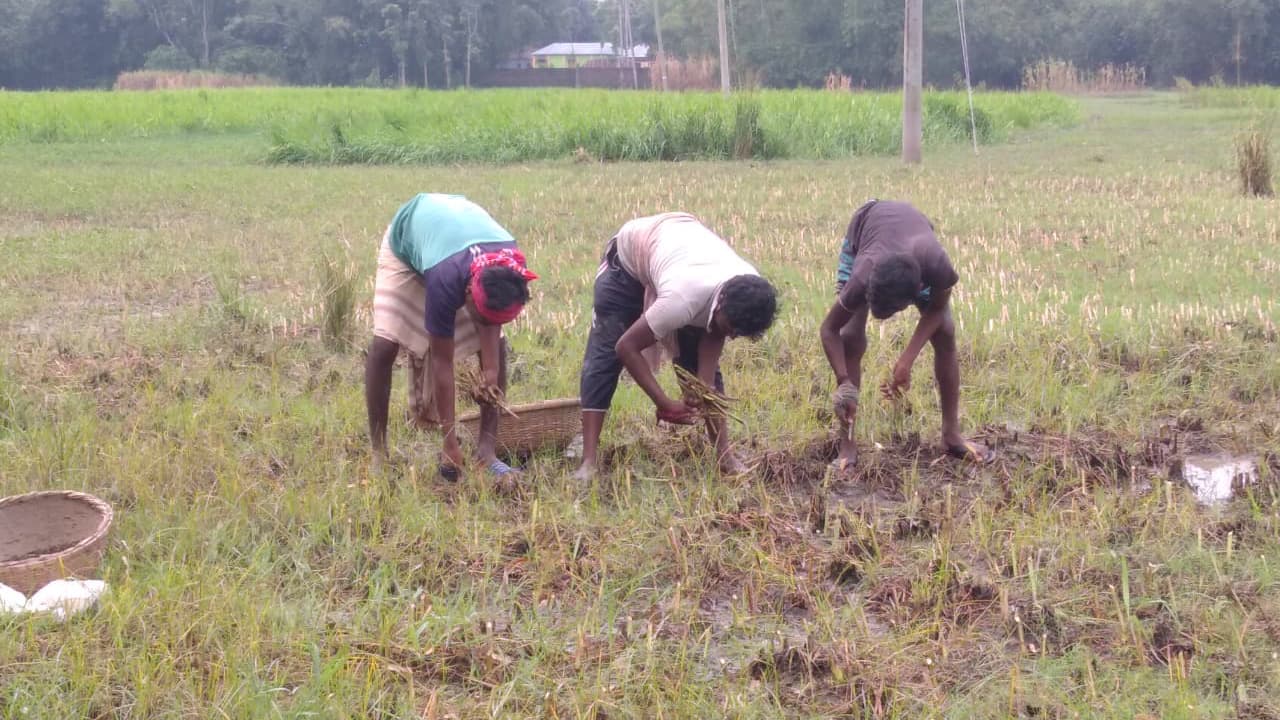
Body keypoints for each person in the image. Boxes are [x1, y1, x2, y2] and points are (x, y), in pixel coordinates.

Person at [574, 212, 779, 481]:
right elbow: (626, 347)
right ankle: (588, 461)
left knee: (703, 374)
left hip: (679, 254)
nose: (730, 338)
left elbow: (715, 332)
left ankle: (724, 457)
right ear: (720, 304)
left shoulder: (749, 288)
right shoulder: (683, 299)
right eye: (730, 329)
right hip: (628, 260)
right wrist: (664, 402)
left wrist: (702, 385)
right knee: (605, 352)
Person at [365, 193, 537, 481]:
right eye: (480, 317)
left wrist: (491, 373)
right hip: (407, 245)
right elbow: (441, 362)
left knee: (499, 346)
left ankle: (486, 451)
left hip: (453, 245)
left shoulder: (507, 266)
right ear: (468, 293)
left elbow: (491, 330)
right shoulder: (447, 279)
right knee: (384, 343)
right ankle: (379, 452)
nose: (484, 324)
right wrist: (449, 443)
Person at [818, 199, 991, 473]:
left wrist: (906, 360)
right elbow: (829, 330)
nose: (877, 317)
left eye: (887, 311)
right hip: (865, 226)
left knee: (945, 332)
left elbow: (936, 309)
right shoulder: (863, 274)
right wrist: (844, 383)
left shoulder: (937, 265)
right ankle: (847, 446)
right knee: (851, 335)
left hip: (914, 244)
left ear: (918, 291)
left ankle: (951, 435)